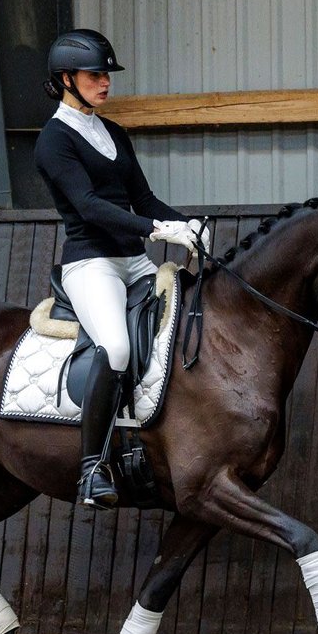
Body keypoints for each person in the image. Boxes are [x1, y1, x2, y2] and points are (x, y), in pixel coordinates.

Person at [34, 28, 209, 510]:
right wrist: (157, 230)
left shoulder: (113, 133)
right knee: (115, 346)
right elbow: (89, 207)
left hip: (134, 261)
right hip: (92, 264)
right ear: (66, 79)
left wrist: (185, 224)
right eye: (95, 75)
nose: (105, 82)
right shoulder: (53, 141)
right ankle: (92, 469)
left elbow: (144, 198)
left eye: (107, 74)